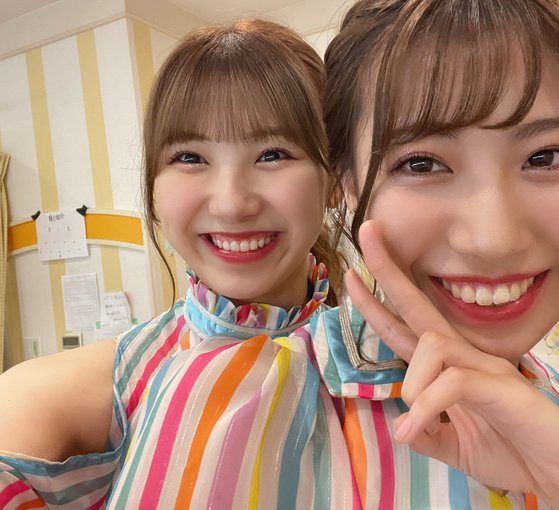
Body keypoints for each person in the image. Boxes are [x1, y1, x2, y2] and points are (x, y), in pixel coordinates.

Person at [318, 0, 559, 507]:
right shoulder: (258, 413)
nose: (495, 239)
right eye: (421, 164)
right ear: (347, 184)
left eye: (546, 156)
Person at [0, 19, 342, 508]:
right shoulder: (97, 388)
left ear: (335, 180)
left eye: (272, 154)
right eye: (190, 157)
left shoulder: (402, 372)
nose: (231, 204)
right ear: (155, 187)